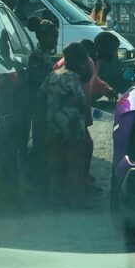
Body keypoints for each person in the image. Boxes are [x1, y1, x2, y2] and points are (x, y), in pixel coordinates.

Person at [40, 42, 91, 207]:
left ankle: (53, 200)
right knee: (74, 167)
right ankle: (74, 202)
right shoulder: (73, 78)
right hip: (72, 131)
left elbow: (40, 97)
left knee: (54, 166)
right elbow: (82, 104)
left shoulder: (52, 75)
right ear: (79, 61)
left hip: (52, 129)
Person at [25, 17, 59, 185]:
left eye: (56, 37)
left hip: (44, 105)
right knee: (40, 142)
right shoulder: (37, 56)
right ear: (41, 37)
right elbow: (38, 82)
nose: (55, 41)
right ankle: (37, 179)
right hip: (39, 106)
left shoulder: (43, 55)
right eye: (52, 37)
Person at [94, 31, 131, 95]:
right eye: (114, 49)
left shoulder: (108, 61)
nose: (116, 53)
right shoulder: (97, 65)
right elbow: (114, 82)